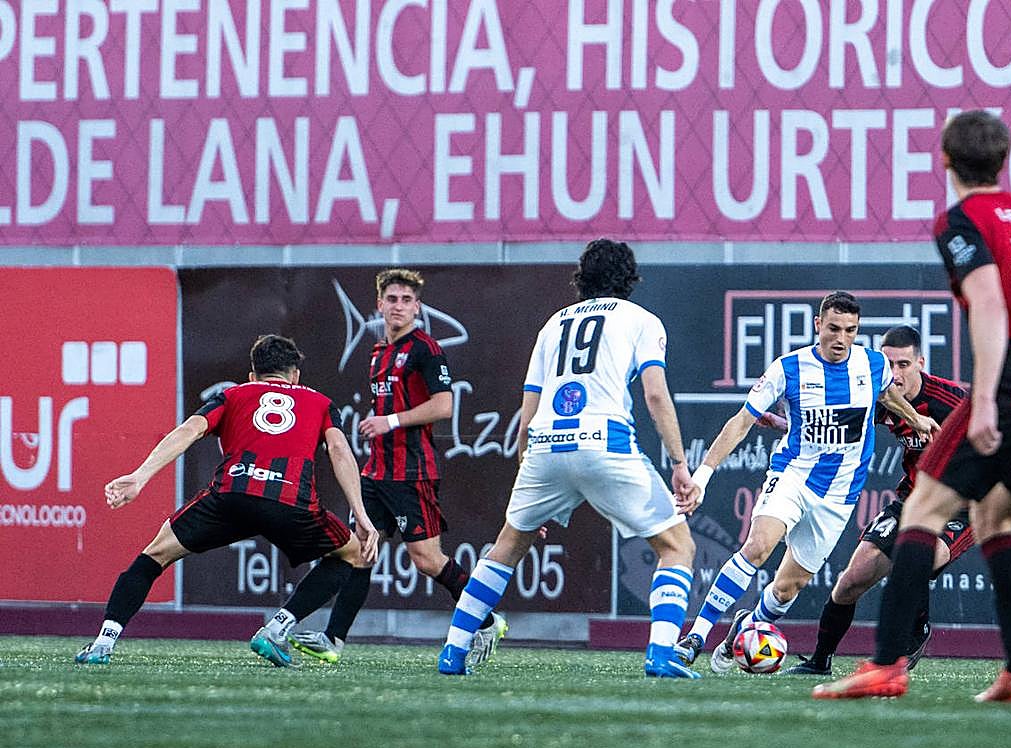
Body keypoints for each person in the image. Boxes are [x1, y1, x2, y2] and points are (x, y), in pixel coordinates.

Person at [813, 110, 1011, 702]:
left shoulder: (963, 220)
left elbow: (990, 306)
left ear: (944, 160)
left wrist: (993, 401)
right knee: (992, 519)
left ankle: (887, 664)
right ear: (1004, 160)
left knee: (919, 509)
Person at [434, 238, 702, 677]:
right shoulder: (641, 319)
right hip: (605, 442)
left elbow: (529, 408)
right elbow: (654, 393)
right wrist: (678, 462)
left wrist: (529, 470)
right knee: (677, 547)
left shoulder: (553, 323)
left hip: (544, 446)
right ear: (629, 279)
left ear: (583, 278)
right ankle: (660, 653)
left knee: (505, 547)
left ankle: (454, 650)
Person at [74, 335, 379, 667]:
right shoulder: (320, 402)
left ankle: (104, 642)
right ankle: (277, 628)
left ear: (252, 375)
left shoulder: (233, 394)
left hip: (231, 497)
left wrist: (140, 476)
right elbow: (338, 450)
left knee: (154, 556)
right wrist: (361, 515)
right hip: (290, 501)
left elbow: (189, 430)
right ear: (295, 377)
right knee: (350, 553)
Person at [673, 292, 937, 675]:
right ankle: (695, 636)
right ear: (818, 326)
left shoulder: (872, 364)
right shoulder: (788, 369)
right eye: (833, 328)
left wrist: (914, 418)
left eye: (850, 330)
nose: (840, 338)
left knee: (785, 590)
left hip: (840, 494)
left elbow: (887, 395)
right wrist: (703, 475)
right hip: (794, 475)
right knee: (759, 546)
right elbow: (741, 422)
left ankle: (741, 633)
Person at [288, 269, 506, 666]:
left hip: (412, 473)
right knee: (359, 550)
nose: (399, 306)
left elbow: (444, 405)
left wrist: (390, 421)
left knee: (426, 561)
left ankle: (487, 620)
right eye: (392, 299)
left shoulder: (425, 348)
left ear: (417, 307)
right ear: (380, 305)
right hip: (376, 472)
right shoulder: (378, 352)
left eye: (407, 300)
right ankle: (333, 640)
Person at [786, 325, 972, 676]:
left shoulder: (952, 402)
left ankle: (916, 631)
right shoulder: (879, 396)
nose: (895, 373)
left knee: (916, 555)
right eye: (889, 365)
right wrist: (782, 424)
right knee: (851, 580)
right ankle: (820, 661)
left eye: (903, 364)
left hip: (960, 505)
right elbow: (829, 426)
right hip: (912, 501)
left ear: (920, 362)